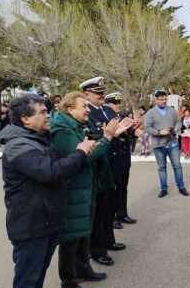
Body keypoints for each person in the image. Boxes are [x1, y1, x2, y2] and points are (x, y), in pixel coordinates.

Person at [0, 94, 97, 288]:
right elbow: (51, 172)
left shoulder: (38, 139)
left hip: (46, 220)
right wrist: (79, 151)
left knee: (37, 276)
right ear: (25, 118)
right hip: (31, 224)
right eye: (43, 112)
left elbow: (62, 167)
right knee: (28, 280)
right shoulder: (18, 145)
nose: (48, 116)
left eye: (48, 111)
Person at [50, 91, 131, 286]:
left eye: (88, 106)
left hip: (86, 188)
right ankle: (69, 279)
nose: (88, 110)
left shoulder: (79, 126)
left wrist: (110, 136)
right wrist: (108, 137)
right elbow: (84, 158)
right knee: (71, 237)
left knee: (84, 231)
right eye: (84, 106)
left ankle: (84, 269)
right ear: (70, 109)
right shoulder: (62, 131)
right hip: (73, 190)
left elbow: (91, 148)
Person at [80, 77, 131, 267]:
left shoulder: (107, 110)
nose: (102, 95)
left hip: (114, 164)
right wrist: (111, 134)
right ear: (87, 94)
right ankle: (97, 249)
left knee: (110, 207)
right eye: (97, 92)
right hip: (101, 165)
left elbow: (120, 132)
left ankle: (108, 239)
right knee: (99, 210)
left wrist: (130, 130)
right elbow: (92, 138)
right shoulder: (87, 113)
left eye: (103, 92)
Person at [144, 89, 190, 198]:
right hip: (159, 145)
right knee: (162, 167)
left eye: (165, 99)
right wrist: (159, 132)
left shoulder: (172, 111)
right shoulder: (150, 113)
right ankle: (164, 188)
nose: (164, 101)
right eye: (161, 99)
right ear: (156, 100)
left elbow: (178, 121)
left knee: (177, 166)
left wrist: (176, 129)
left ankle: (181, 187)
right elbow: (147, 127)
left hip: (173, 143)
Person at [104, 92, 140, 227]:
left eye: (119, 103)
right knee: (113, 189)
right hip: (114, 157)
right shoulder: (107, 118)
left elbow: (128, 135)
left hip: (124, 157)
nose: (118, 105)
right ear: (107, 104)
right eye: (115, 103)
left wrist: (133, 131)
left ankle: (122, 213)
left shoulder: (123, 117)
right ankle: (112, 217)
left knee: (123, 188)